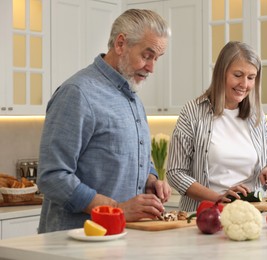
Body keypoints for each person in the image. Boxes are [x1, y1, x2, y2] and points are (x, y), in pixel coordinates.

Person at [37, 9, 172, 233]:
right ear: (121, 44)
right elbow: (53, 176)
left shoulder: (132, 97)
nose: (152, 68)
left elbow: (133, 158)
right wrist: (116, 208)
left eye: (156, 59)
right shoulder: (78, 93)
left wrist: (150, 179)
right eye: (147, 56)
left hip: (120, 239)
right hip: (72, 243)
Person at [166, 41, 267, 212]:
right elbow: (175, 173)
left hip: (252, 213)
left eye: (251, 77)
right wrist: (218, 198)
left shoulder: (256, 116)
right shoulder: (193, 112)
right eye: (238, 75)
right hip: (205, 214)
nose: (244, 84)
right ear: (221, 73)